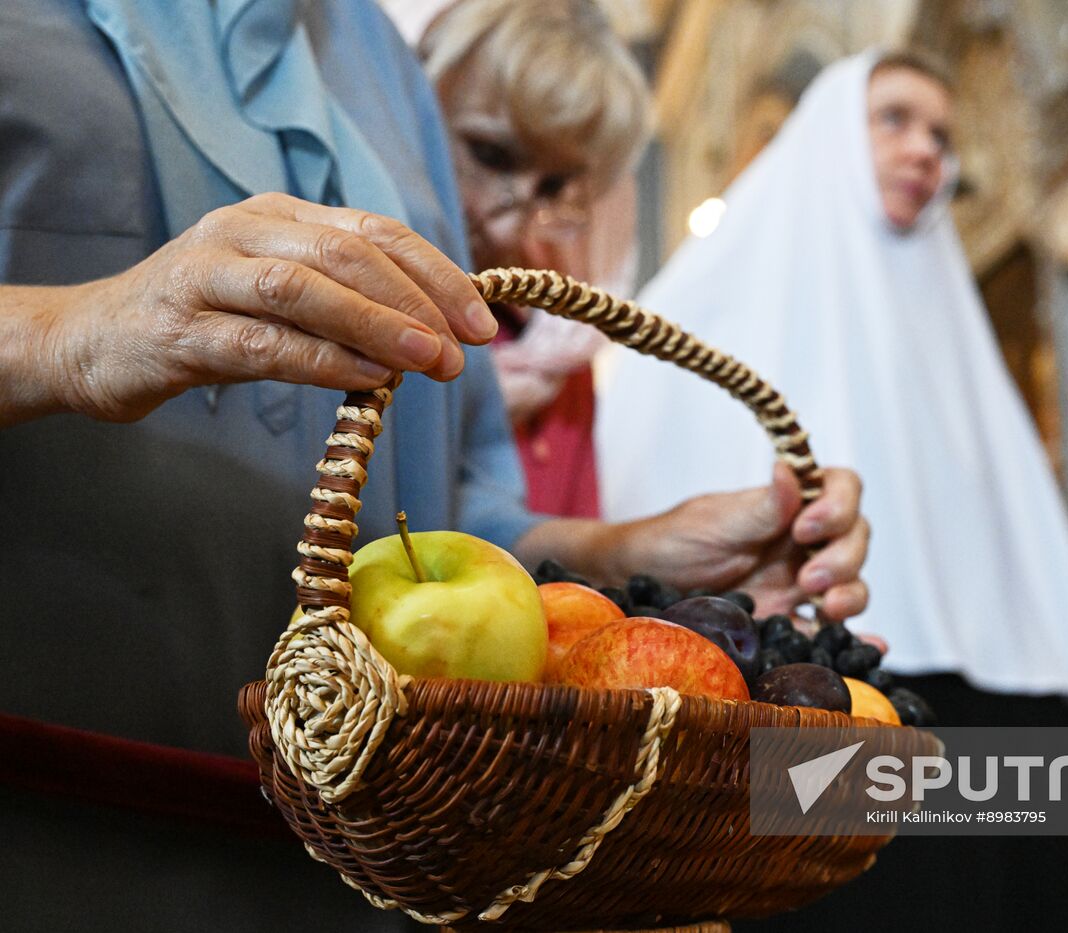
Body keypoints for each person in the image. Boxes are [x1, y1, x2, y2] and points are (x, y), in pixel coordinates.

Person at [0, 2, 868, 929]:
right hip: (56, 813)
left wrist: (630, 561)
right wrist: (66, 333)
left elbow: (443, 494)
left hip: (375, 851)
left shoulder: (375, 56)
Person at [597, 49, 1068, 930]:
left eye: (942, 134)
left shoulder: (956, 335)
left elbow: (1026, 578)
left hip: (997, 718)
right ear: (830, 135)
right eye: (895, 119)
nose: (927, 149)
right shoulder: (702, 311)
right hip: (823, 712)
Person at [417, 0, 649, 517]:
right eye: (490, 154)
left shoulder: (561, 345)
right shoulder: (351, 302)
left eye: (554, 184)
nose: (508, 225)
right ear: (416, 104)